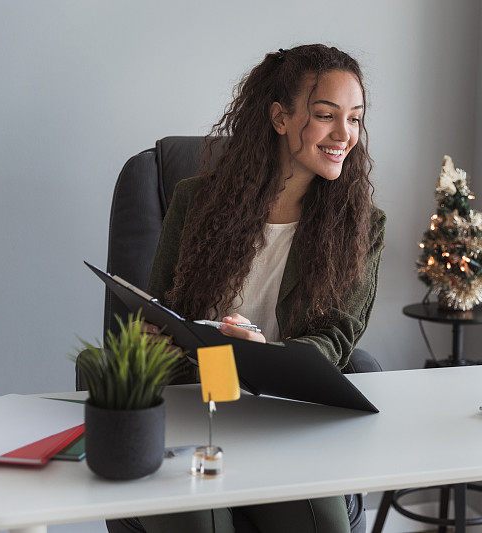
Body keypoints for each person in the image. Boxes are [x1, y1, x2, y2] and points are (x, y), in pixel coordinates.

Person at [106, 44, 386, 533]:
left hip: (282, 415)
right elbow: (159, 311)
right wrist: (153, 340)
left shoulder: (360, 225)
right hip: (196, 403)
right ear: (280, 117)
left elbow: (338, 336)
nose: (345, 135)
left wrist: (268, 355)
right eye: (325, 116)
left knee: (322, 526)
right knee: (198, 522)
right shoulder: (196, 202)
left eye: (355, 119)